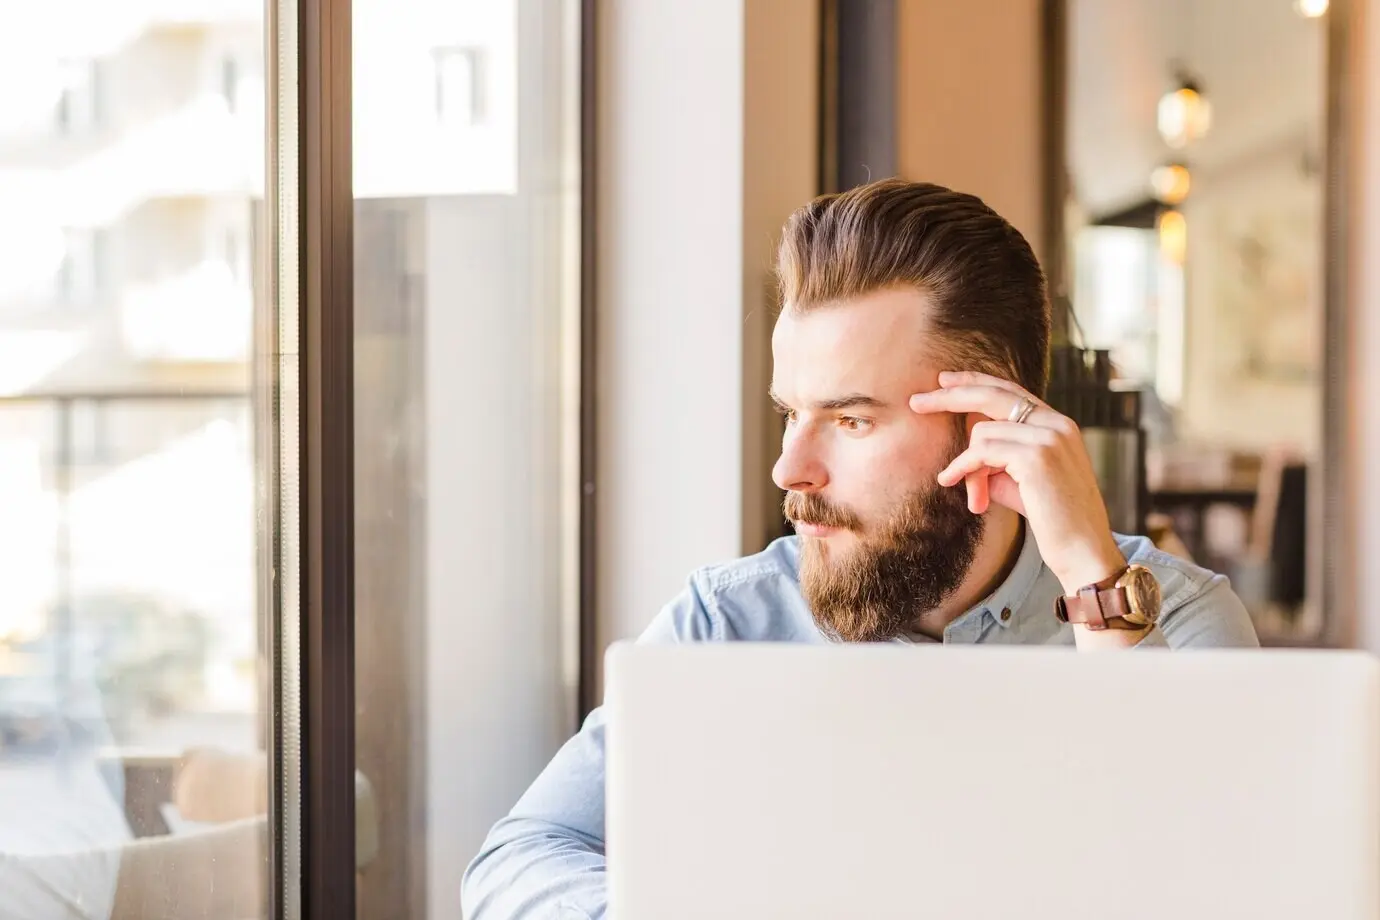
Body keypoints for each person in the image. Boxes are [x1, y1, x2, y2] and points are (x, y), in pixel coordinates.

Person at [460, 178, 1259, 920]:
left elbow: (1225, 885)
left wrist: (1096, 585)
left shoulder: (1175, 621)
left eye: (850, 421)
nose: (789, 469)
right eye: (789, 413)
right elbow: (519, 858)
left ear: (986, 423)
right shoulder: (729, 622)